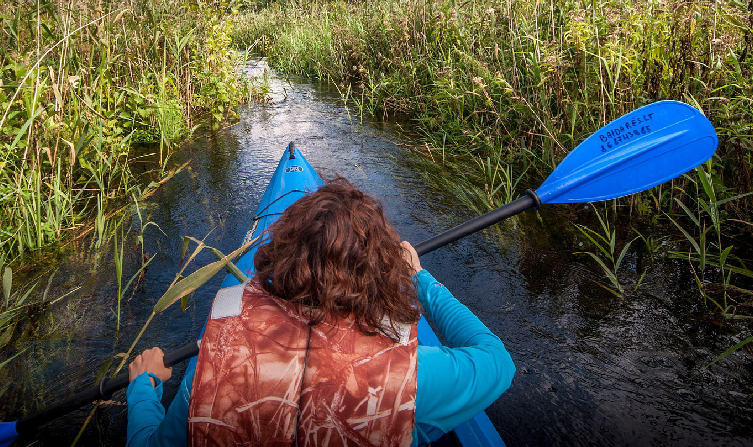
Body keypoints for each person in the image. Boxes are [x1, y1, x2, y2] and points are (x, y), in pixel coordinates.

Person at [127, 179, 515, 446]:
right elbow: (496, 359)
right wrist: (419, 279)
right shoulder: (414, 377)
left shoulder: (213, 370)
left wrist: (144, 387)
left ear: (283, 259)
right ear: (380, 275)